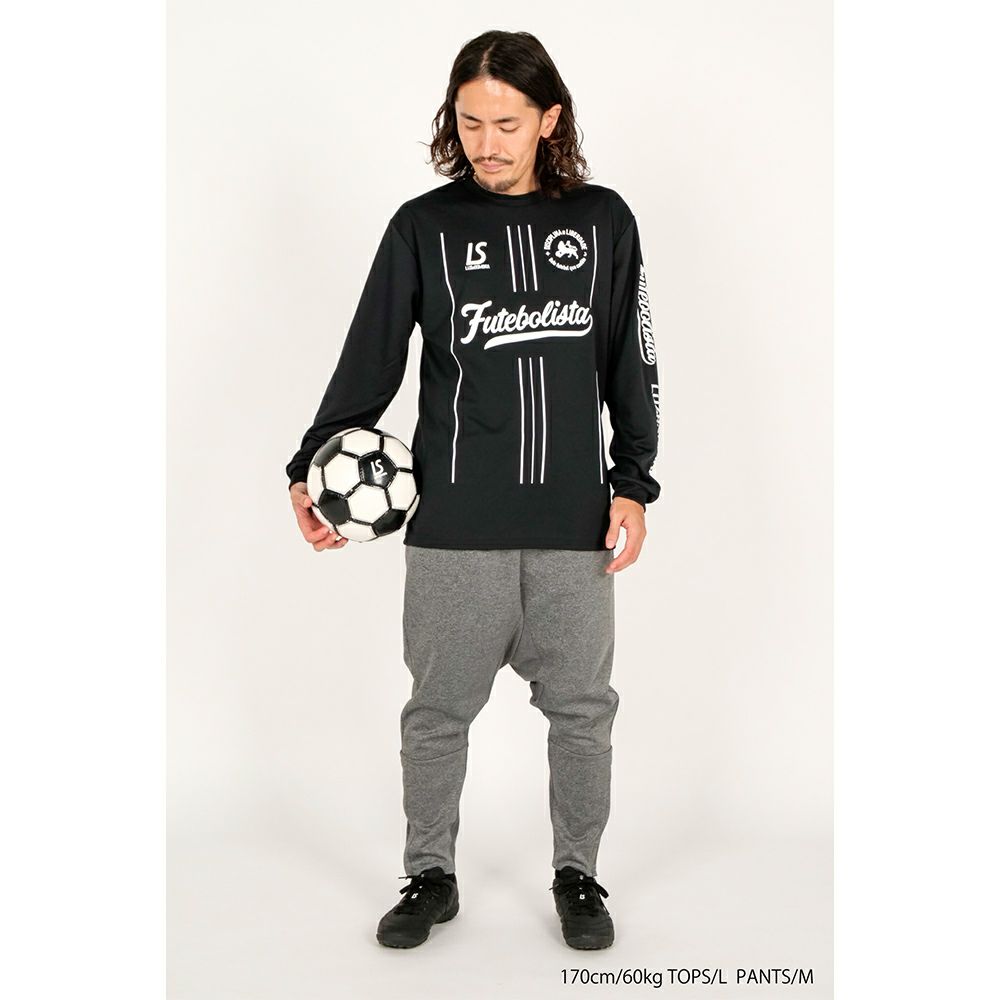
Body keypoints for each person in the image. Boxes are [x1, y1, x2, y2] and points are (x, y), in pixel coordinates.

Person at [286, 30, 660, 951]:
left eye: (507, 123)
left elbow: (631, 358)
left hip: (575, 526)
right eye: (470, 122)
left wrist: (634, 481)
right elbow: (369, 358)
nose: (486, 143)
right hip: (454, 527)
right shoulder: (424, 227)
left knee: (583, 714)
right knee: (437, 715)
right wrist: (308, 468)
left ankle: (579, 874)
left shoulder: (604, 222)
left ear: (549, 120)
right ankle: (430, 874)